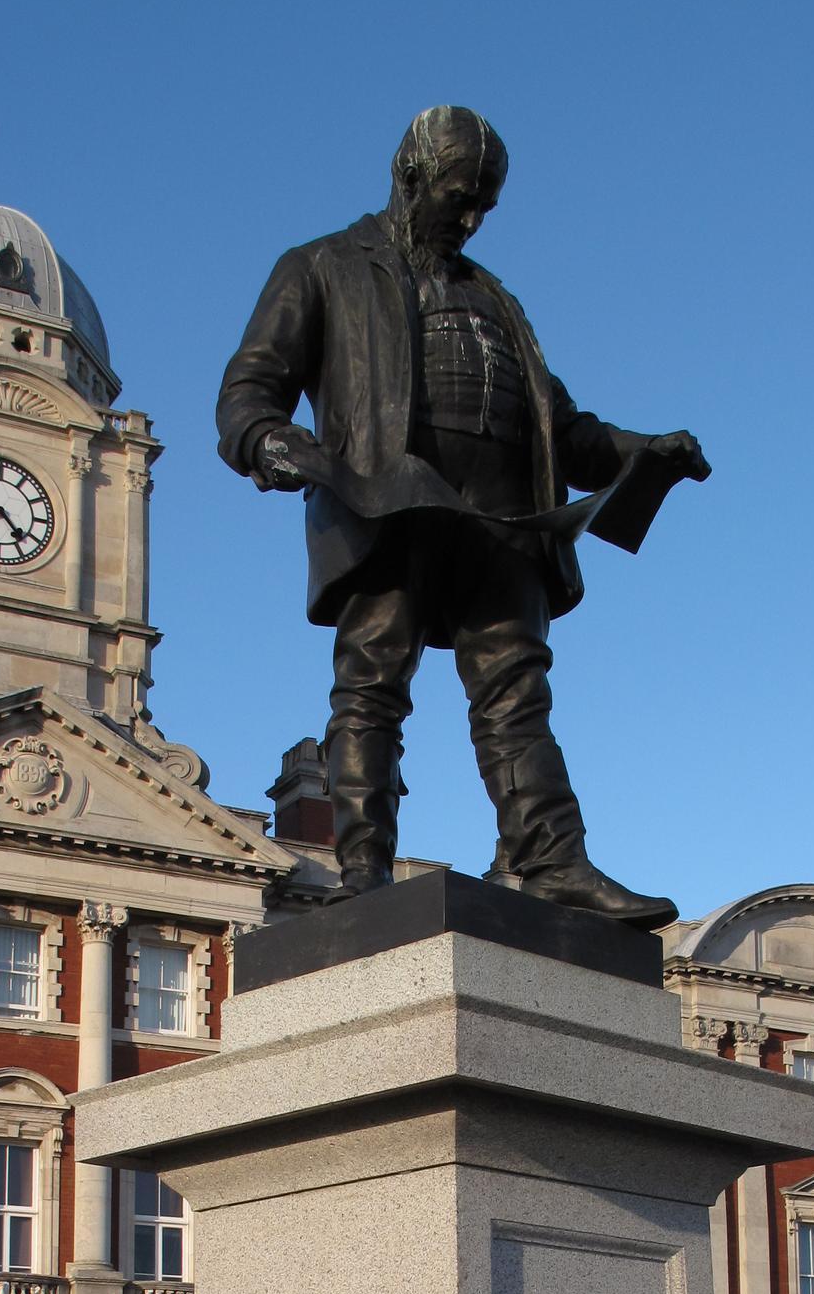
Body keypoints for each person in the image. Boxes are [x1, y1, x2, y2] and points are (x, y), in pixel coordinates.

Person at [217, 105, 710, 928]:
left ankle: (553, 862)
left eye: (486, 203)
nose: (473, 218)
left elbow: (563, 429)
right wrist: (268, 443)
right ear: (411, 180)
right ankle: (363, 873)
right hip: (390, 503)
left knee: (517, 695)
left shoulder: (496, 299)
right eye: (461, 197)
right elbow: (247, 391)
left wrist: (640, 450)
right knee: (371, 688)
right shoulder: (323, 266)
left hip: (505, 521)